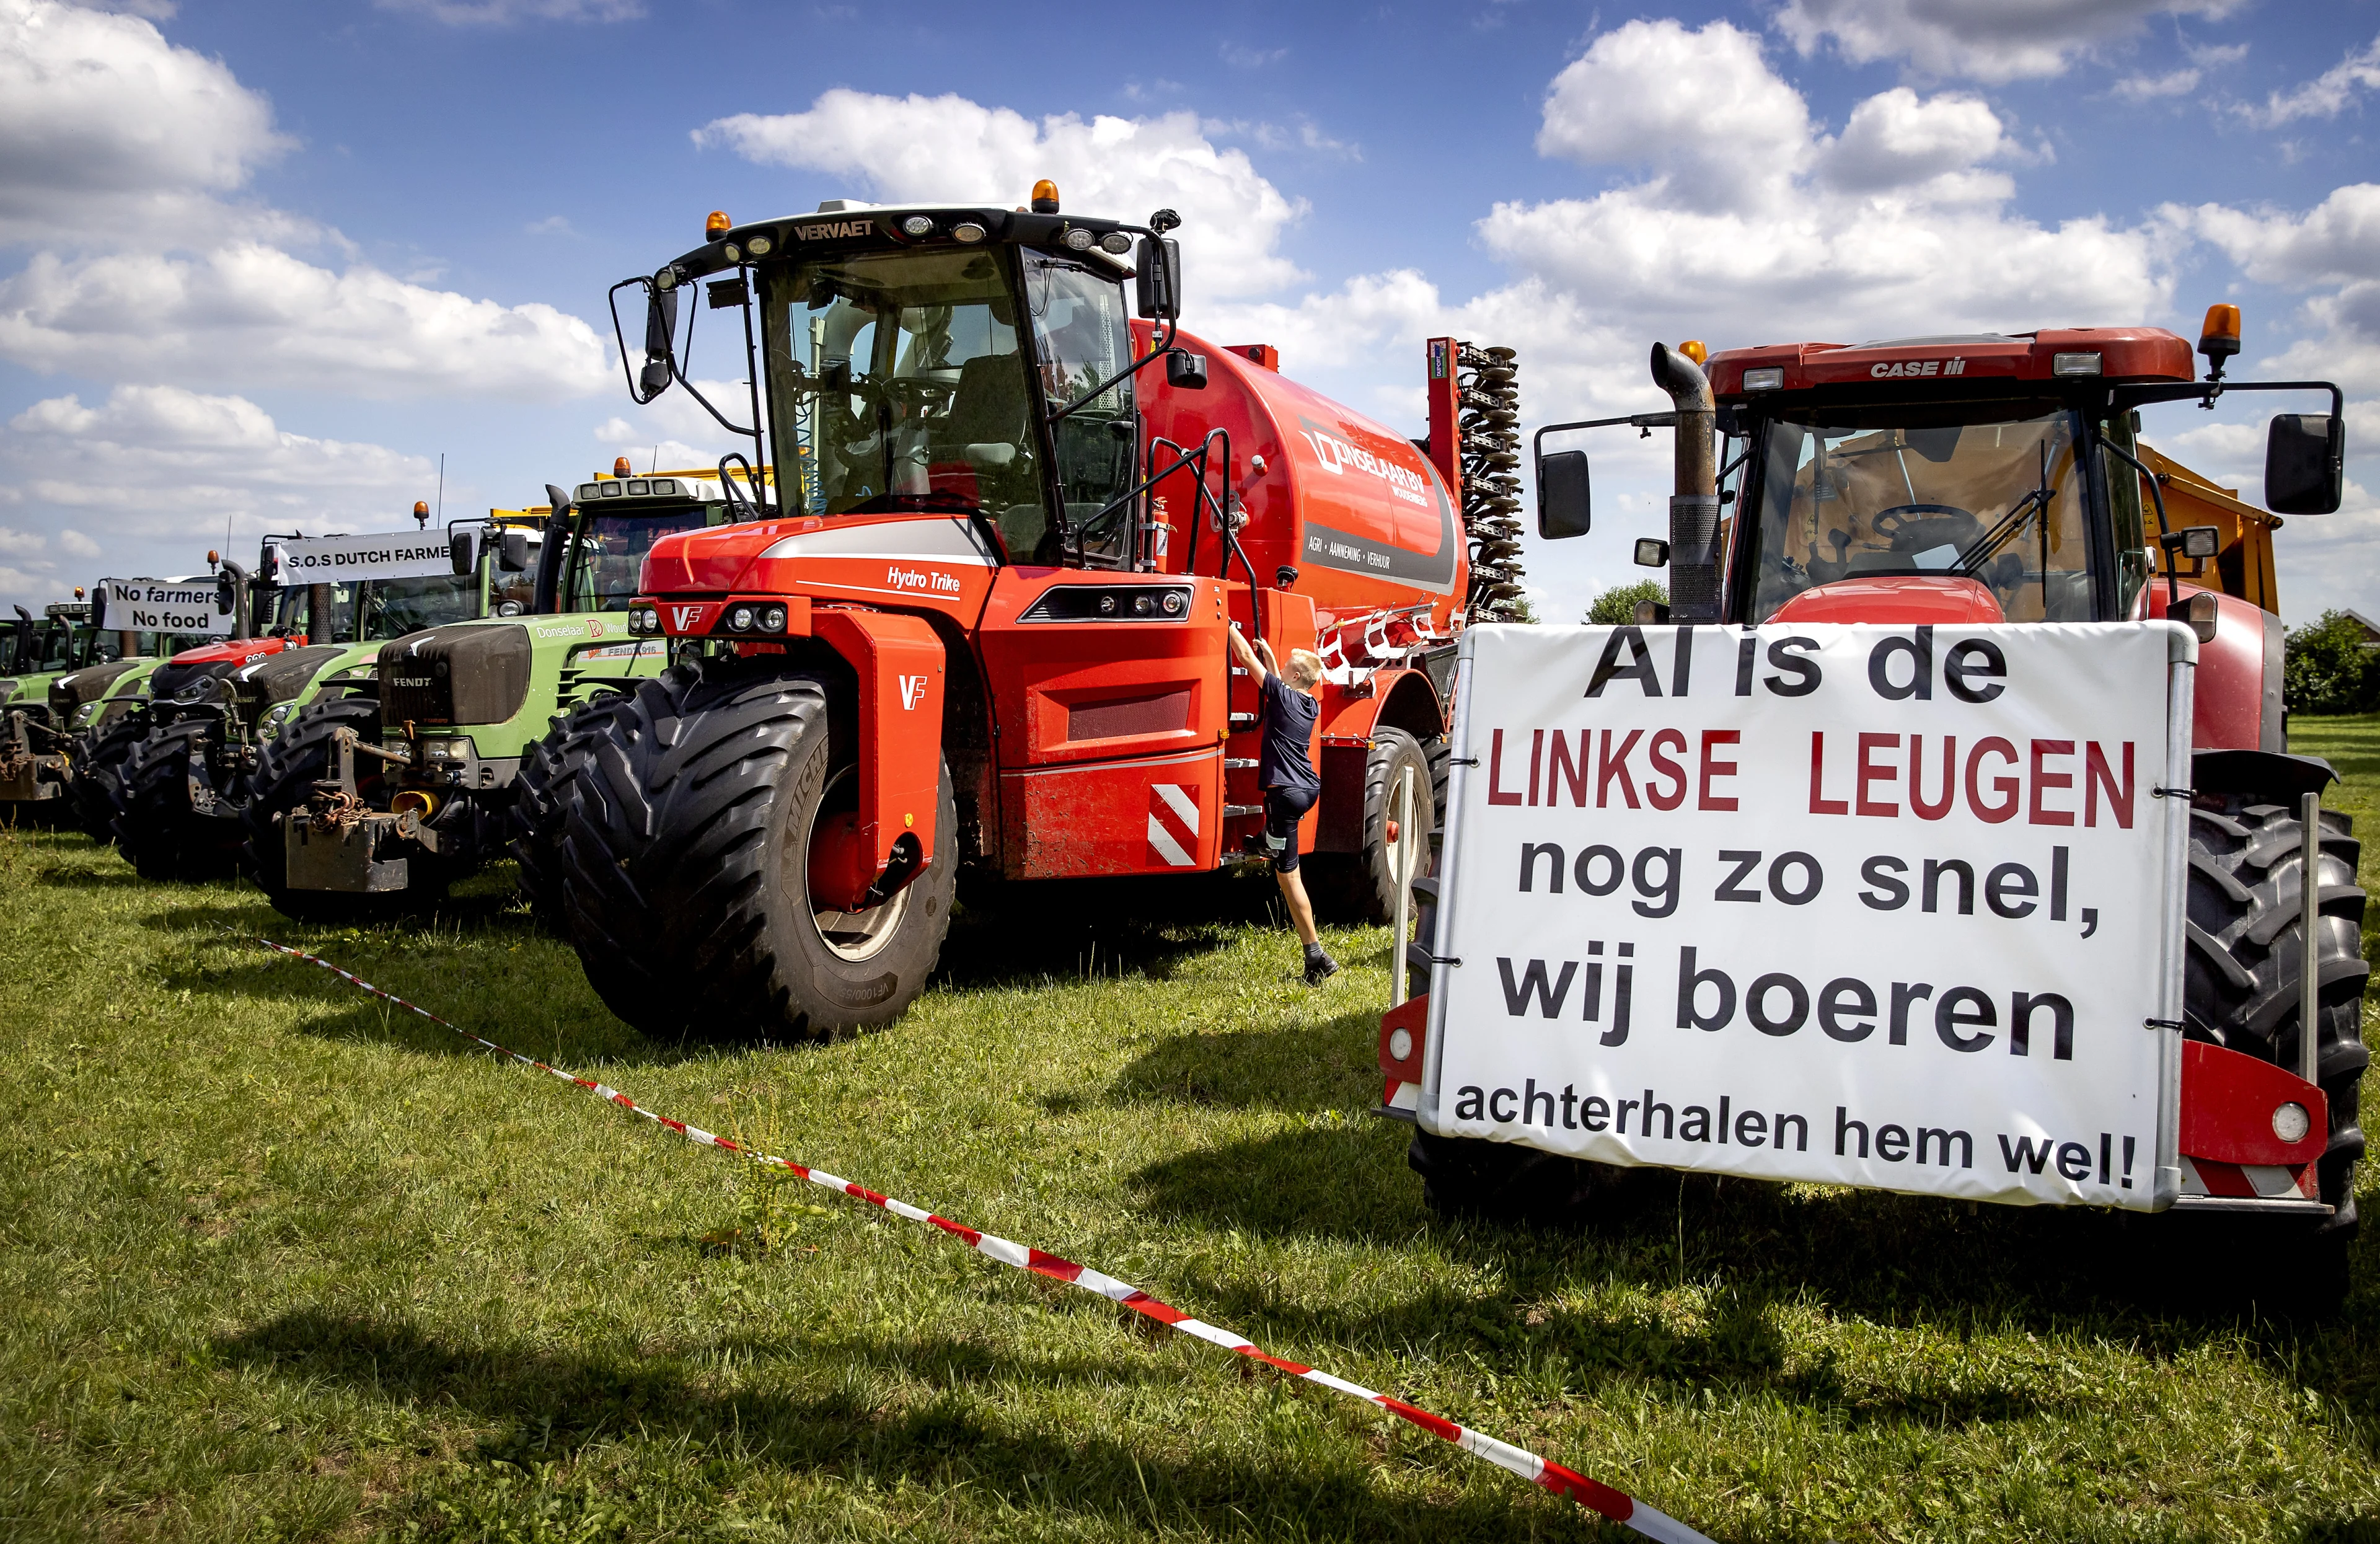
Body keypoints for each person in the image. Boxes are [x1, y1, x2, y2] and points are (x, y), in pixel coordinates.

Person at [1226, 622, 1337, 986]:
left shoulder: (1284, 694)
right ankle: (1267, 842)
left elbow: (1243, 655)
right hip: (1306, 788)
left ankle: (1317, 956)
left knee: (1289, 877)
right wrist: (1274, 660)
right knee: (1281, 864)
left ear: (1297, 674)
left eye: (1288, 665)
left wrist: (1225, 623)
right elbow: (1280, 690)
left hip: (1285, 791)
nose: (1282, 668)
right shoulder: (1308, 705)